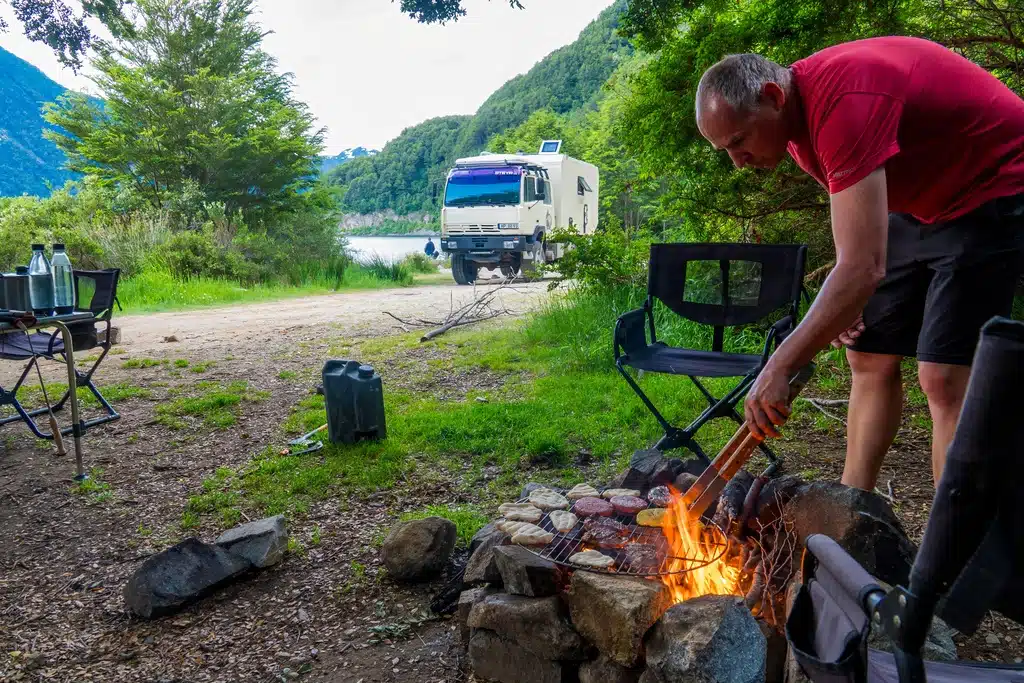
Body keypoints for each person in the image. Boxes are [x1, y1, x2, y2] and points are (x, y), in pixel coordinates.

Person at [694, 36, 1024, 490]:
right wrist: (844, 300)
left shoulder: (843, 101)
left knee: (944, 377)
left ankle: (950, 551)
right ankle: (854, 509)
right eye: (724, 150)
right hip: (919, 202)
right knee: (867, 354)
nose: (737, 161)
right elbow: (857, 239)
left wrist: (779, 366)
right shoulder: (796, 126)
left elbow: (862, 266)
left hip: (993, 179)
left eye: (738, 140)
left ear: (772, 97)